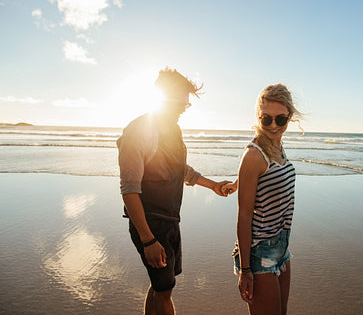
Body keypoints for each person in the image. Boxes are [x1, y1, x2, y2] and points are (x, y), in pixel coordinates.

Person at [117, 66, 231, 315]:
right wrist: (148, 240)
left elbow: (180, 169)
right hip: (151, 224)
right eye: (181, 102)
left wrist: (213, 186)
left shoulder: (172, 129)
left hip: (169, 221)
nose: (183, 108)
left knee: (160, 287)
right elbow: (129, 189)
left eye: (186, 105)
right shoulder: (139, 131)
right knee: (164, 289)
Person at [222, 83, 303, 315]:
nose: (274, 126)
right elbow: (244, 215)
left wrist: (239, 182)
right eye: (266, 120)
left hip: (282, 246)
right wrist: (245, 270)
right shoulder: (254, 155)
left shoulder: (277, 146)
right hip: (259, 252)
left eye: (281, 119)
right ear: (258, 117)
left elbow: (266, 180)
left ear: (290, 117)